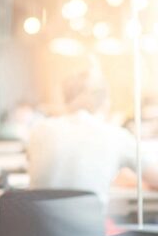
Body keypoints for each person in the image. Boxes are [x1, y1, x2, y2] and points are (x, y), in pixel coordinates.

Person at [27, 68, 158, 205]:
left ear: (65, 99)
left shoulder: (39, 130)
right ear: (105, 102)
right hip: (88, 224)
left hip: (37, 224)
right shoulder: (115, 135)